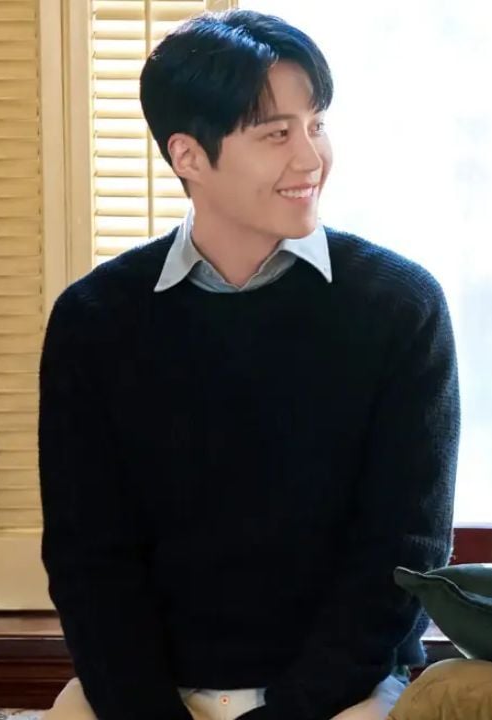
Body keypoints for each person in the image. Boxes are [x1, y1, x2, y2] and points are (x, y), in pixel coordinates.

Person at [38, 10, 459, 720]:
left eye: (316, 124)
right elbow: (89, 559)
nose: (311, 158)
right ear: (188, 156)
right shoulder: (95, 320)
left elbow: (403, 554)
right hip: (144, 698)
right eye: (276, 134)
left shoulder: (400, 306)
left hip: (341, 699)